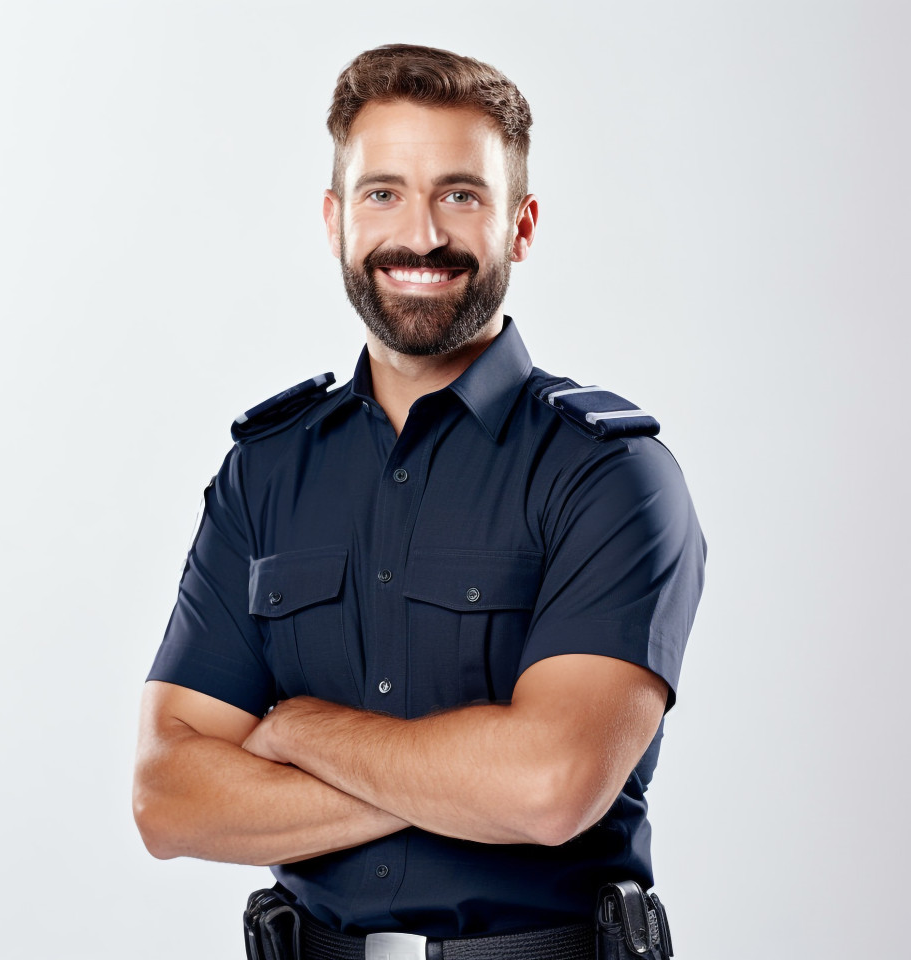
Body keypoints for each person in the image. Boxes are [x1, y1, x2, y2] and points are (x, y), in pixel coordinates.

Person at [133, 43, 706, 960]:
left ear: (520, 225)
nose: (423, 236)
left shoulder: (611, 479)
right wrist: (455, 782)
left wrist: (298, 732)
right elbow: (168, 799)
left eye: (461, 194)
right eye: (383, 192)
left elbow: (551, 787)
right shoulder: (265, 474)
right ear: (335, 220)